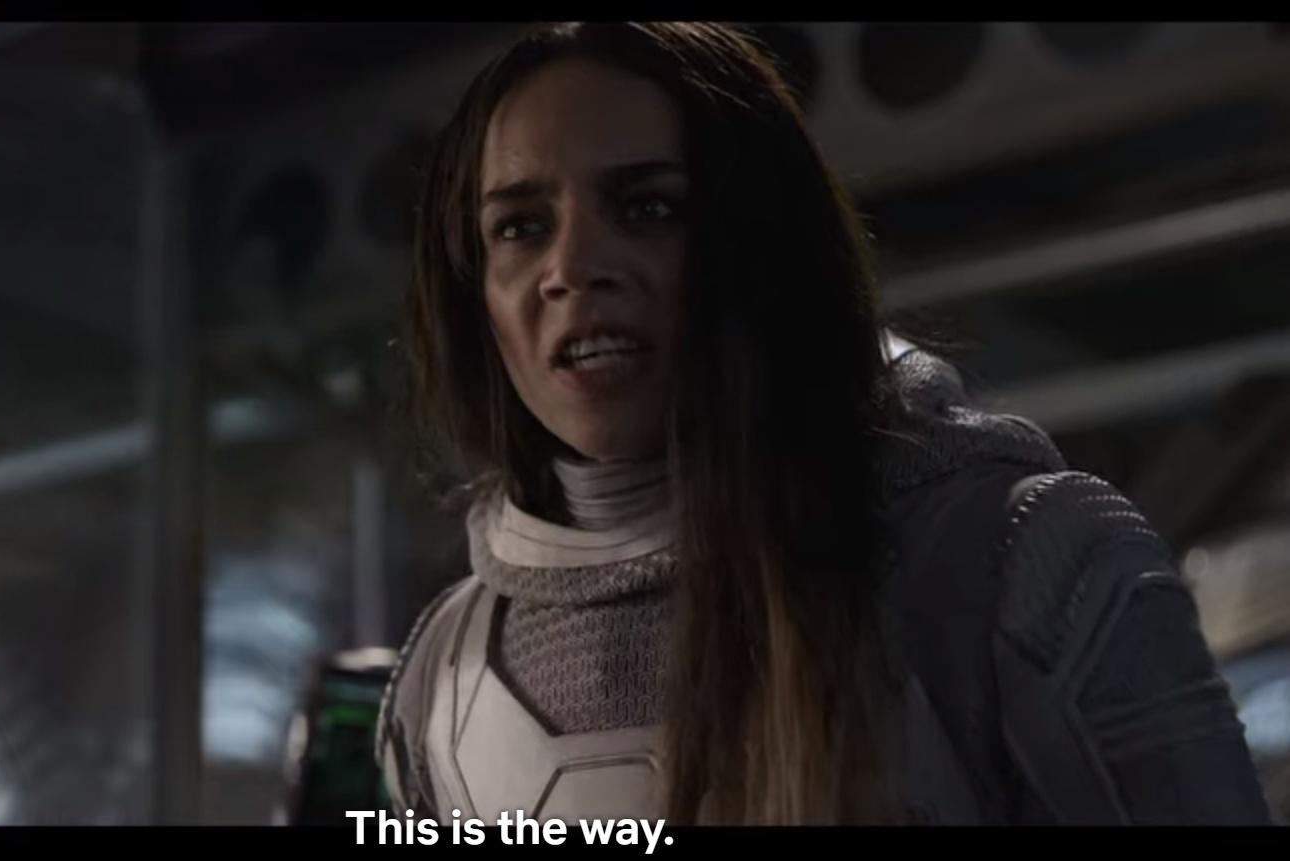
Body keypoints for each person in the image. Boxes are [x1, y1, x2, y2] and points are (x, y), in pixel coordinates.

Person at [373, 22, 1272, 825]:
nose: (573, 266)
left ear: (761, 242)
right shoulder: (438, 678)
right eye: (520, 226)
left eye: (649, 208)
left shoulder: (1025, 567)